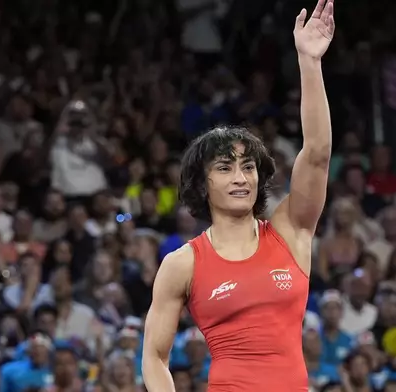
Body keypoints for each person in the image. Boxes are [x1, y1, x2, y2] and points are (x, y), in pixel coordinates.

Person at [142, 0, 336, 391]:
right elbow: (154, 357)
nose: (241, 177)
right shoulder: (182, 264)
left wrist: (309, 62)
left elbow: (316, 153)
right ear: (201, 184)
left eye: (248, 167)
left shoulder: (290, 230)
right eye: (225, 168)